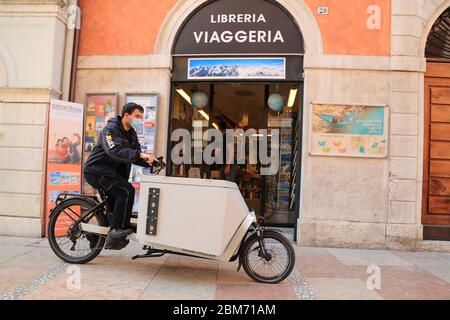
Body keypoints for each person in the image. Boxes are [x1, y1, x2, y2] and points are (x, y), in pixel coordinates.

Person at [83, 102, 157, 250]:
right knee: (126, 191)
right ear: (126, 115)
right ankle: (117, 230)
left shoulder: (131, 134)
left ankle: (95, 235)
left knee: (113, 208)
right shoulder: (110, 130)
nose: (140, 119)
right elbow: (114, 151)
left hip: (112, 173)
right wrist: (139, 154)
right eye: (137, 116)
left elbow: (135, 156)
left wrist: (152, 162)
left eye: (141, 117)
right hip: (97, 171)